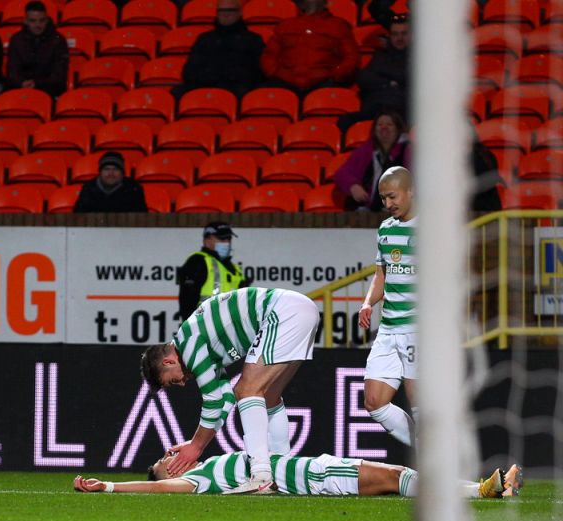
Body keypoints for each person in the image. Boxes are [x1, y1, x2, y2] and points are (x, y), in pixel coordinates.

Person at [140, 286, 320, 494]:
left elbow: (213, 401)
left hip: (283, 312)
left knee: (247, 390)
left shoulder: (189, 345)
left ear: (168, 361)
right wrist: (196, 442)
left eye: (173, 381)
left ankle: (261, 475)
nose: (182, 383)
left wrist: (196, 446)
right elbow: (225, 400)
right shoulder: (196, 341)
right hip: (301, 309)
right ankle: (282, 467)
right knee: (269, 396)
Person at [73, 451, 523, 499]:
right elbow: (156, 488)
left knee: (398, 475)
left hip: (312, 469)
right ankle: (479, 492)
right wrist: (108, 486)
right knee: (395, 475)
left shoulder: (211, 465)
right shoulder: (200, 480)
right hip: (310, 476)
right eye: (166, 459)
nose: (172, 453)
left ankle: (489, 488)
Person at [358, 166, 416, 447]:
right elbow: (381, 274)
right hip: (389, 329)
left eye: (392, 196)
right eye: (383, 198)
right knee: (374, 402)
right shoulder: (385, 229)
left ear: (411, 192)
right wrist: (368, 302)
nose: (387, 203)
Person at [260, 0, 359, 96]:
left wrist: (336, 76)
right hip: (285, 83)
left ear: (326, 3)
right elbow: (269, 56)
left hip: (324, 84)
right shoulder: (285, 26)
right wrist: (275, 74)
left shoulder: (338, 26)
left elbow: (351, 57)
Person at [171, 0, 264, 101]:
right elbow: (189, 71)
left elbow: (258, 72)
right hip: (206, 84)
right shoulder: (204, 39)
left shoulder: (253, 39)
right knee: (177, 92)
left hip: (238, 86)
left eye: (231, 10)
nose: (225, 14)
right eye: (221, 10)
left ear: (240, 12)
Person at [338, 13, 410, 131]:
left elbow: (407, 77)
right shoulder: (380, 55)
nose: (399, 38)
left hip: (401, 111)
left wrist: (383, 74)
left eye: (404, 34)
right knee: (344, 121)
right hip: (375, 108)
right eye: (395, 34)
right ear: (390, 36)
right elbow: (364, 78)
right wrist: (390, 83)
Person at [333, 110, 411, 212]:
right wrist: (353, 186)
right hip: (369, 209)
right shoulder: (366, 150)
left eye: (389, 124)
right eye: (380, 125)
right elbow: (341, 174)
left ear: (398, 129)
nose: (384, 127)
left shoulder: (408, 151)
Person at [177, 221, 247, 320]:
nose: (227, 243)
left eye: (229, 238)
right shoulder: (198, 261)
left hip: (229, 326)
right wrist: (192, 327)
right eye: (222, 239)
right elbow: (187, 301)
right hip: (204, 325)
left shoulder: (235, 268)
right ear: (207, 240)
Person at [5, 1, 70, 98]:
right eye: (33, 21)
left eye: (41, 20)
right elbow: (12, 70)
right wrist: (22, 83)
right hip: (20, 87)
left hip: (49, 89)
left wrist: (36, 83)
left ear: (47, 20)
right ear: (25, 21)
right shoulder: (17, 40)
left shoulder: (58, 40)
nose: (38, 25)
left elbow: (59, 75)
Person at [73, 151, 148, 214]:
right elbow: (78, 216)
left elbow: (141, 218)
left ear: (122, 173)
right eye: (106, 169)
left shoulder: (133, 188)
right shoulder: (88, 188)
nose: (111, 174)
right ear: (100, 172)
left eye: (115, 169)